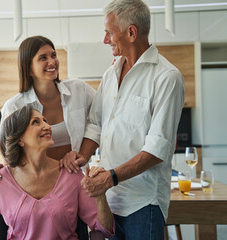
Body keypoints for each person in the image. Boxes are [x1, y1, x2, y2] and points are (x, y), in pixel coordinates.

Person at [61, 0, 185, 239]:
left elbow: (158, 149)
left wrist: (111, 177)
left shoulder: (167, 77)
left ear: (131, 32)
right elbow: (96, 124)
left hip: (143, 202)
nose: (105, 40)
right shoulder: (110, 74)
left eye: (109, 33)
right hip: (109, 201)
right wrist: (82, 156)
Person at [0, 105, 115, 240]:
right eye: (35, 122)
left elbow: (104, 229)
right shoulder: (0, 180)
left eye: (45, 121)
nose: (47, 126)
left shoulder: (71, 175)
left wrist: (100, 196)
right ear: (19, 139)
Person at [0, 35, 95, 180]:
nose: (52, 61)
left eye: (53, 55)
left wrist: (83, 154)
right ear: (29, 68)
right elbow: (8, 154)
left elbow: (100, 120)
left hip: (74, 178)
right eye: (43, 58)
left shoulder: (79, 89)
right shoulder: (14, 106)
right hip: (36, 183)